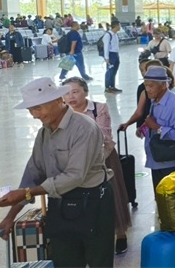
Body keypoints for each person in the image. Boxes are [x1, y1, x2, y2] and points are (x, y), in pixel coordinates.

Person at [0, 78, 115, 267]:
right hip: (61, 206)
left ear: (59, 100)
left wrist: (28, 192)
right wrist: (11, 216)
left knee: (98, 262)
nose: (34, 115)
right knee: (65, 262)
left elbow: (75, 176)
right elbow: (32, 174)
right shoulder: (44, 133)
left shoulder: (84, 128)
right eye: (30, 110)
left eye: (38, 108)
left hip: (93, 203)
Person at [62, 78, 132, 254]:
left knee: (112, 194)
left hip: (104, 158)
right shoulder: (62, 113)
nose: (71, 97)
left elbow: (103, 136)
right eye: (66, 93)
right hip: (75, 163)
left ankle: (120, 233)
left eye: (75, 92)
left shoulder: (98, 108)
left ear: (85, 92)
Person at [141, 65, 175, 191]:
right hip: (156, 160)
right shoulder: (154, 100)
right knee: (160, 198)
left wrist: (156, 126)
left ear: (163, 85)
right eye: (146, 86)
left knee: (173, 200)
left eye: (151, 86)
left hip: (171, 163)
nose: (147, 89)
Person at [104, 21, 122, 93]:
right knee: (109, 71)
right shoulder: (108, 35)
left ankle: (112, 86)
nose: (120, 27)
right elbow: (106, 47)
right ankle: (107, 87)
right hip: (110, 55)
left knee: (114, 71)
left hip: (116, 54)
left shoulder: (115, 34)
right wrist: (107, 58)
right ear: (116, 26)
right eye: (119, 25)